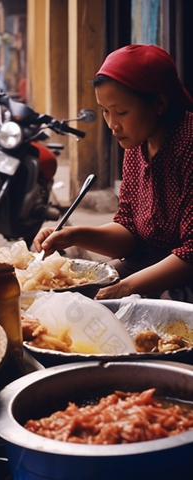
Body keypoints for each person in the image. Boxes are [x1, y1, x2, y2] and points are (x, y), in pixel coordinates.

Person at [34, 44, 193, 302]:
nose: (112, 124)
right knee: (81, 294)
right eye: (105, 111)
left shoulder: (188, 145)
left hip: (184, 276)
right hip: (146, 261)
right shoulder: (136, 144)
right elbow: (129, 230)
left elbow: (191, 253)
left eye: (121, 112)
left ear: (160, 103)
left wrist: (126, 287)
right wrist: (72, 236)